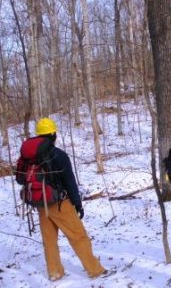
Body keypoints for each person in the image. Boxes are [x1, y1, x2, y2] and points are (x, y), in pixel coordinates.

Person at [18, 117, 108, 281]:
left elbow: (19, 179)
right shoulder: (58, 155)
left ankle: (55, 272)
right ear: (53, 134)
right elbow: (69, 181)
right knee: (78, 236)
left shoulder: (28, 155)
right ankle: (95, 270)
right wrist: (77, 204)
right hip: (59, 203)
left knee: (49, 240)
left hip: (40, 203)